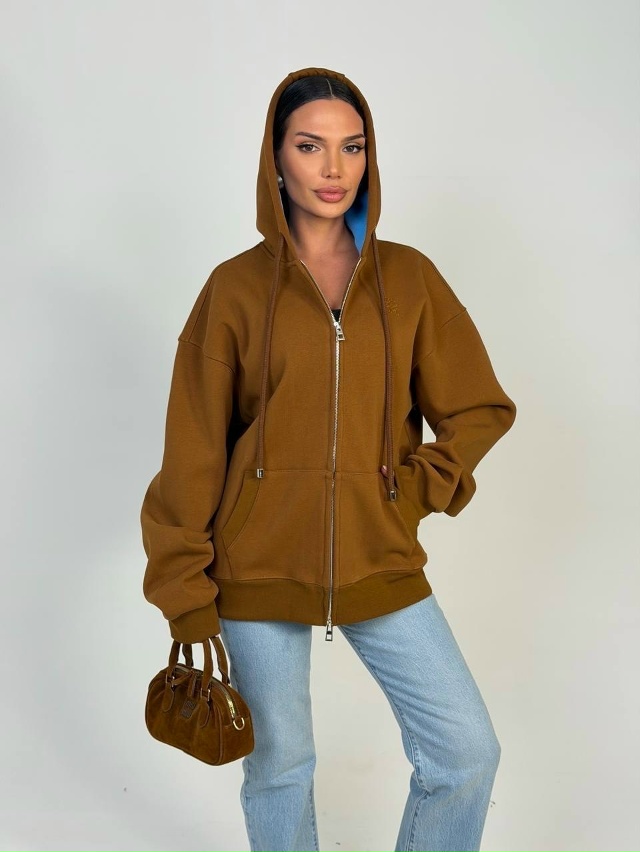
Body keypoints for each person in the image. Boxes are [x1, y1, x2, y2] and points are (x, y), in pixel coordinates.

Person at [141, 66, 517, 852]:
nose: (334, 167)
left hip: (380, 556)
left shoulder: (408, 279)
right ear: (276, 159)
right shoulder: (235, 290)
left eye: (353, 146)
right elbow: (193, 451)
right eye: (310, 146)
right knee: (280, 770)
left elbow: (479, 407)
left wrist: (410, 492)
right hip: (254, 568)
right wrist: (185, 591)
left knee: (466, 752)